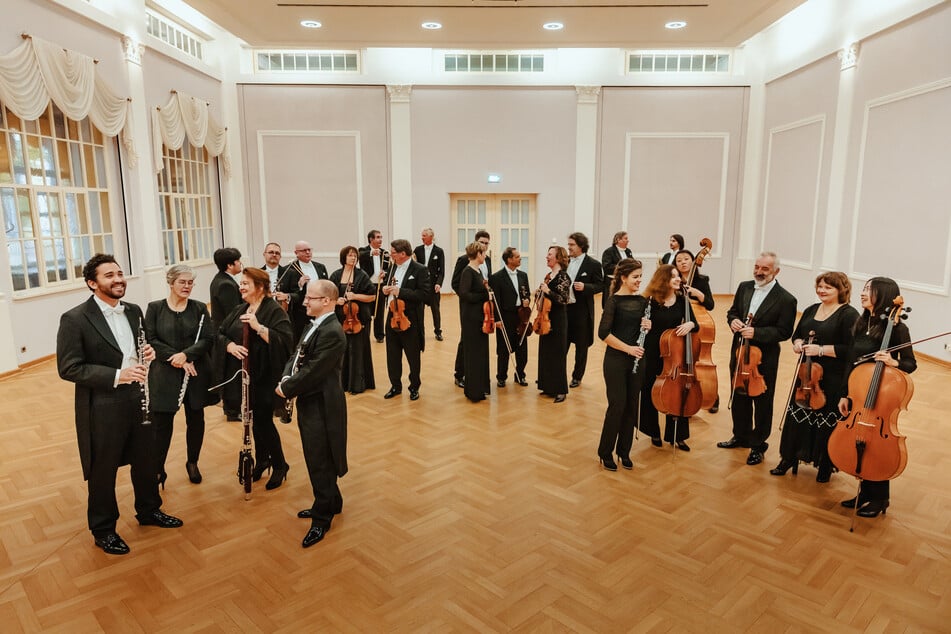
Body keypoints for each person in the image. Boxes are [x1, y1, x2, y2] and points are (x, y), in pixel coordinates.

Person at [57, 254, 183, 555]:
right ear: (92, 283)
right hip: (103, 404)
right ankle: (103, 529)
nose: (118, 279)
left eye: (120, 273)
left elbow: (136, 348)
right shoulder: (74, 319)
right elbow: (69, 368)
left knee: (146, 458)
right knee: (103, 469)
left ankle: (149, 510)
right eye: (108, 275)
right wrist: (118, 375)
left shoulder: (134, 311)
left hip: (138, 397)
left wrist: (147, 354)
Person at [277, 280, 348, 548]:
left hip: (322, 404)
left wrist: (286, 388)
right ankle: (333, 501)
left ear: (326, 301)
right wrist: (286, 376)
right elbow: (296, 357)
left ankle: (321, 518)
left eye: (310, 298)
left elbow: (313, 372)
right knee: (319, 454)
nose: (304, 301)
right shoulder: (314, 323)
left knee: (319, 458)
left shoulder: (332, 332)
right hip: (311, 401)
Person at [837, 277, 916, 518]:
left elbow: (911, 364)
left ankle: (880, 498)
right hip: (860, 394)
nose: (862, 293)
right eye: (863, 289)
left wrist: (894, 361)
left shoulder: (898, 327)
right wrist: (844, 395)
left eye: (868, 290)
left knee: (876, 445)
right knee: (860, 442)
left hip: (881, 395)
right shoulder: (862, 323)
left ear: (883, 295)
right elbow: (850, 361)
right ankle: (865, 492)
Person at [771, 272, 859, 482]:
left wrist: (820, 350)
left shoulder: (849, 314)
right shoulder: (811, 309)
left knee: (825, 421)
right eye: (819, 286)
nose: (822, 290)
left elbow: (851, 349)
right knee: (797, 415)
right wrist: (798, 344)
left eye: (828, 287)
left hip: (831, 377)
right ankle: (788, 458)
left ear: (841, 290)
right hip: (806, 375)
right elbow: (797, 334)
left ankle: (824, 465)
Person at [717, 252, 797, 466]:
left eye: (765, 269)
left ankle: (758, 444)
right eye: (757, 267)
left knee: (763, 402)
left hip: (764, 359)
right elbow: (732, 312)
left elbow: (784, 331)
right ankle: (740, 435)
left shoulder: (787, 299)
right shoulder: (744, 287)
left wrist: (758, 333)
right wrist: (733, 322)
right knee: (739, 395)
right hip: (740, 352)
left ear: (776, 272)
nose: (759, 272)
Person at [219, 267, 294, 489]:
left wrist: (259, 327)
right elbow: (221, 333)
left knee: (263, 421)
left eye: (245, 284)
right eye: (240, 283)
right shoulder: (241, 308)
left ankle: (280, 465)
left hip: (265, 377)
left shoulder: (274, 310)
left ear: (260, 287)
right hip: (246, 377)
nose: (240, 287)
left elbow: (285, 341)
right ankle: (263, 460)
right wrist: (230, 346)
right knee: (254, 421)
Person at [145, 265, 216, 486]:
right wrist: (175, 358)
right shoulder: (155, 308)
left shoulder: (199, 308)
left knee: (196, 419)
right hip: (165, 372)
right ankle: (158, 468)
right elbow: (152, 338)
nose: (187, 286)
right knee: (161, 423)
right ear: (171, 282)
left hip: (194, 371)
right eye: (182, 282)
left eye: (190, 282)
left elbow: (207, 338)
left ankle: (192, 462)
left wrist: (185, 355)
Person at [639, 264, 698, 450]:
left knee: (677, 392)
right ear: (663, 279)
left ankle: (677, 436)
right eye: (673, 276)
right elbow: (638, 327)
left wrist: (690, 324)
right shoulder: (650, 301)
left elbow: (695, 324)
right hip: (653, 351)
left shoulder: (682, 300)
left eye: (678, 275)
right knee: (650, 391)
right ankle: (653, 431)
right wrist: (644, 325)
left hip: (675, 356)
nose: (678, 278)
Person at [597, 258, 649, 471]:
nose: (639, 281)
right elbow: (603, 334)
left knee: (631, 406)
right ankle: (605, 451)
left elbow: (641, 332)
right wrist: (628, 349)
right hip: (616, 360)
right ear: (623, 278)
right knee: (617, 405)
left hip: (637, 360)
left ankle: (624, 451)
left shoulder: (643, 302)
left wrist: (648, 325)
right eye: (635, 277)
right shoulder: (613, 302)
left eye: (640, 277)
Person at [382, 239, 432, 401]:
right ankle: (395, 386)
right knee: (392, 354)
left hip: (410, 319)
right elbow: (388, 286)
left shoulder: (420, 270)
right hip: (392, 316)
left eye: (393, 253)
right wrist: (384, 288)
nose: (391, 255)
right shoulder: (392, 267)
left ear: (403, 254)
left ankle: (414, 386)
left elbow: (424, 295)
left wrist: (400, 291)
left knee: (413, 356)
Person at [674, 248, 720, 413]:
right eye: (679, 260)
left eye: (686, 259)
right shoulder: (674, 280)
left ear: (693, 261)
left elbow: (710, 304)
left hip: (697, 324)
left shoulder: (701, 280)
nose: (683, 262)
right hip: (679, 323)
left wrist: (697, 293)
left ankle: (712, 396)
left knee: (698, 358)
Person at [329, 245, 376, 394]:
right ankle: (342, 383)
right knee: (342, 350)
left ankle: (358, 384)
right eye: (350, 255)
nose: (353, 257)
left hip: (358, 318)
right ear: (344, 258)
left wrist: (354, 296)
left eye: (355, 255)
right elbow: (329, 296)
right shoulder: (336, 275)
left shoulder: (362, 275)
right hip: (340, 318)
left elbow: (372, 296)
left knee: (357, 350)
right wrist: (337, 301)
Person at [451, 230, 492, 388]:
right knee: (466, 340)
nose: (484, 245)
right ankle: (459, 373)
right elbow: (456, 283)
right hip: (469, 307)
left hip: (482, 308)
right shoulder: (464, 261)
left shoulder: (486, 261)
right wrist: (467, 299)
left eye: (486, 243)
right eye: (481, 242)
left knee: (477, 342)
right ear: (476, 243)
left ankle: (476, 375)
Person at [488, 247, 531, 388]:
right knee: (503, 348)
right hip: (505, 317)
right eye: (517, 257)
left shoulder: (523, 275)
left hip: (521, 316)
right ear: (509, 260)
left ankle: (520, 375)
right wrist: (497, 320)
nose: (520, 258)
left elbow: (527, 294)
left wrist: (527, 301)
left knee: (522, 348)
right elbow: (496, 301)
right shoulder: (496, 277)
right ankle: (501, 376)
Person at [565, 232, 604, 388]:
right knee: (563, 344)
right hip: (565, 309)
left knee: (581, 346)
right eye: (568, 245)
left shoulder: (593, 264)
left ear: (581, 246)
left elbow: (601, 285)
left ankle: (577, 376)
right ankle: (558, 374)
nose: (569, 248)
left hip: (582, 311)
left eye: (572, 245)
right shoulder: (566, 261)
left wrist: (586, 287)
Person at [210, 247, 243, 420]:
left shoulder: (222, 279)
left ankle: (232, 408)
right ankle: (232, 410)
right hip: (228, 335)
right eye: (238, 260)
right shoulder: (226, 284)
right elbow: (233, 314)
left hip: (225, 332)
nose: (240, 263)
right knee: (231, 371)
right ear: (230, 265)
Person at [536, 245, 571, 403]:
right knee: (546, 352)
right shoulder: (548, 276)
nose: (547, 257)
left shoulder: (563, 277)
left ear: (558, 258)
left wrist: (547, 291)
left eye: (550, 254)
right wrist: (539, 293)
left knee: (557, 354)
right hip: (545, 318)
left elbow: (563, 300)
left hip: (557, 320)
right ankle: (548, 386)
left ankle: (560, 390)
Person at [279, 241, 329, 342]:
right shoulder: (288, 269)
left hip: (320, 309)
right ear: (296, 253)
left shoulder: (320, 267)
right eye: (304, 250)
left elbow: (326, 286)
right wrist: (300, 285)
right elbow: (287, 292)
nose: (307, 252)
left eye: (309, 250)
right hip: (301, 311)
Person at [414, 228, 446, 341]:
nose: (422, 237)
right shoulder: (417, 250)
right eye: (422, 235)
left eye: (424, 235)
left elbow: (442, 271)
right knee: (419, 310)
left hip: (433, 286)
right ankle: (419, 332)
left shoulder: (439, 251)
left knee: (436, 310)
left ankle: (438, 331)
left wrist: (439, 284)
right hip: (421, 286)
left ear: (431, 237)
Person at [358, 230, 390, 343]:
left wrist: (385, 273)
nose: (380, 239)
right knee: (366, 311)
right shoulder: (363, 250)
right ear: (371, 239)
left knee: (379, 312)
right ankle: (365, 334)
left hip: (380, 285)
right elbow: (360, 256)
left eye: (381, 237)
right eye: (377, 237)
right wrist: (371, 253)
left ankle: (380, 335)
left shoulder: (385, 252)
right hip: (367, 286)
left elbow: (388, 267)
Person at [601, 231, 633, 308]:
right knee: (611, 304)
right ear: (618, 240)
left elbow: (632, 263)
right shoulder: (609, 251)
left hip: (625, 282)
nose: (628, 240)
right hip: (613, 282)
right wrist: (623, 267)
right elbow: (606, 266)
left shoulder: (628, 251)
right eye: (625, 238)